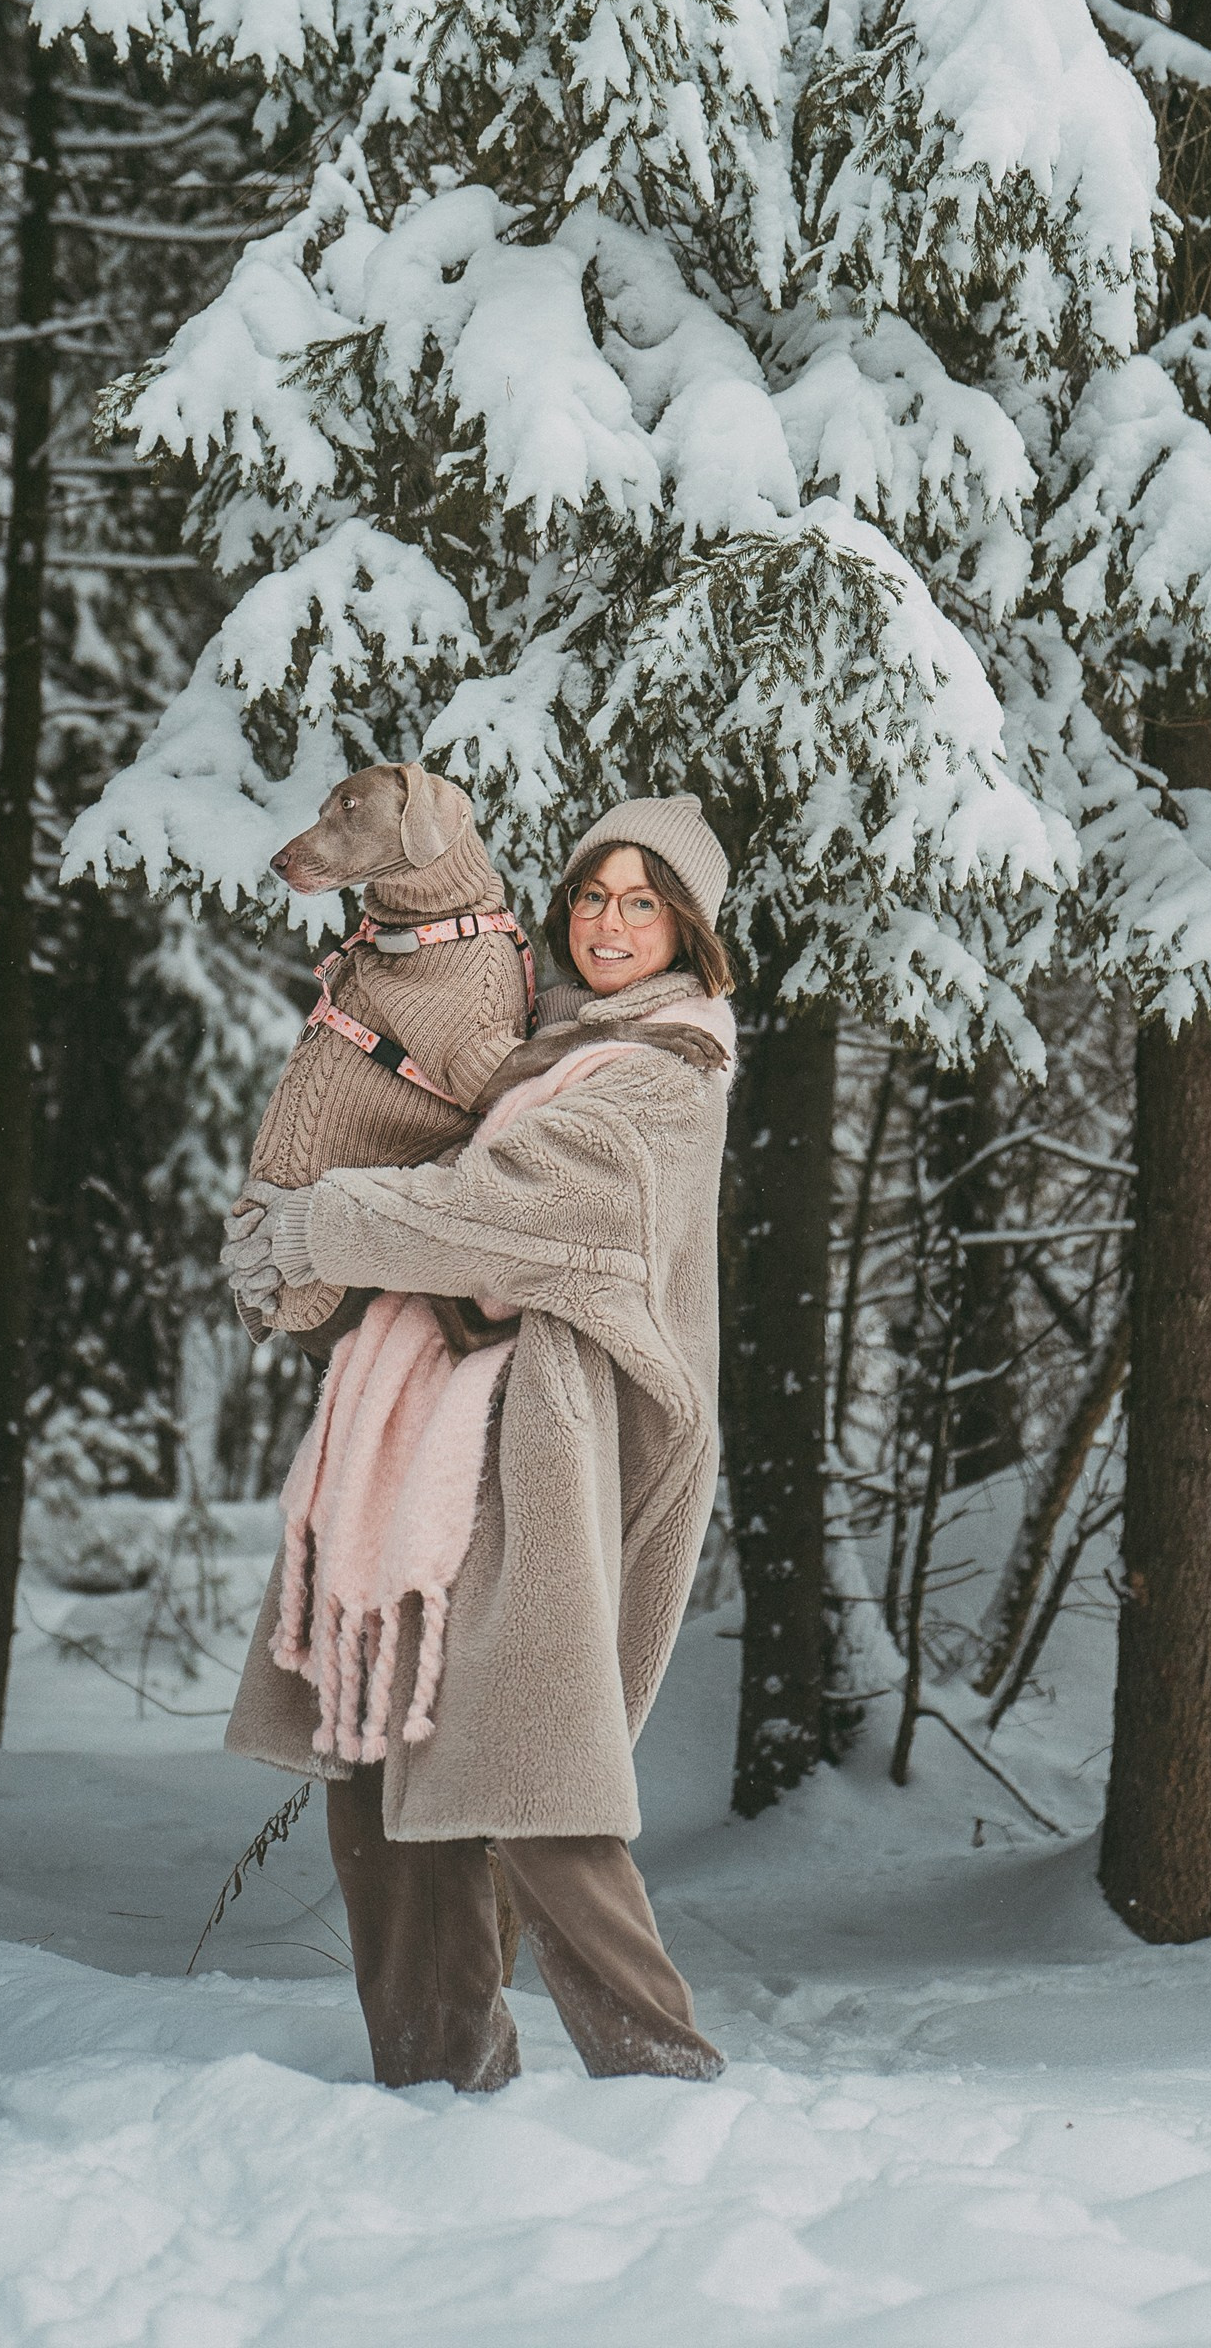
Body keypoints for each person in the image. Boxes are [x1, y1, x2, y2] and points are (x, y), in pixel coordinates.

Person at [221, 795, 737, 2092]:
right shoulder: (530, 1051)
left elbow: (516, 1221)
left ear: (687, 931)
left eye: (641, 902)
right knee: (385, 1763)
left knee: (536, 1790)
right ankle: (435, 2085)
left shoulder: (668, 1073)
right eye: (592, 897)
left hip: (538, 1469)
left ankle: (666, 2082)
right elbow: (430, 1170)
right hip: (438, 1461)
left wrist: (320, 1227)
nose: (608, 923)